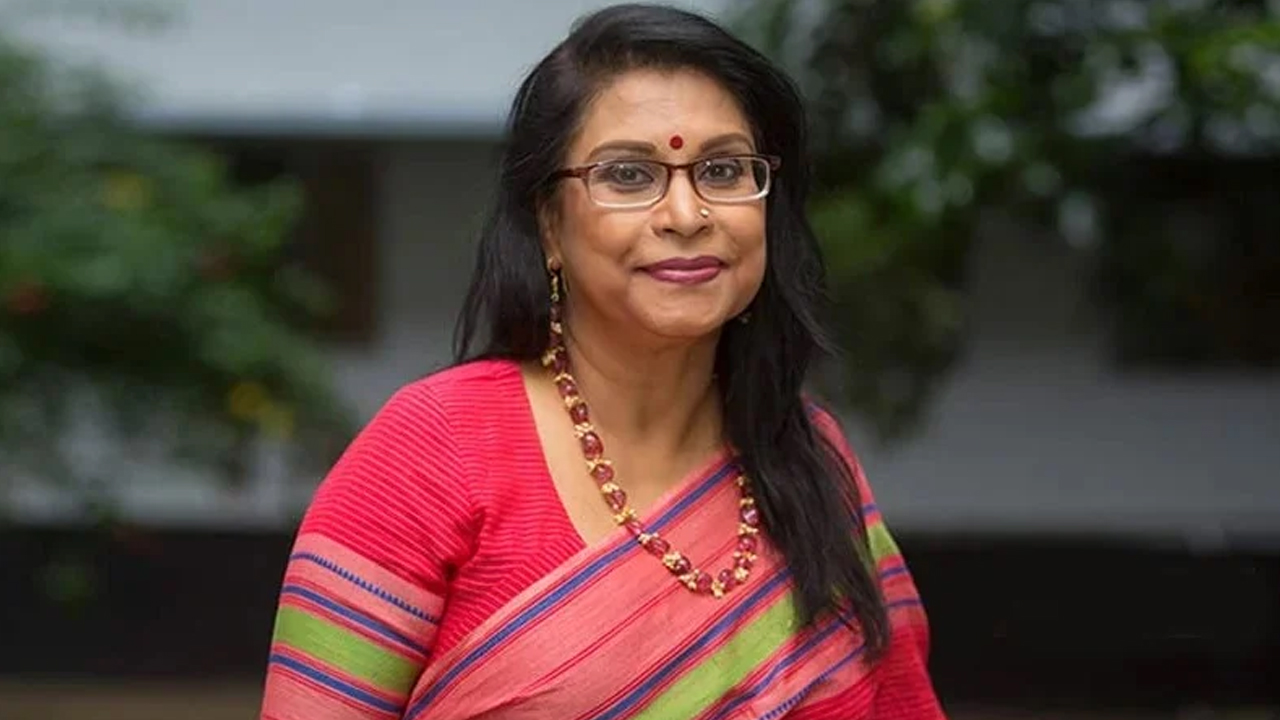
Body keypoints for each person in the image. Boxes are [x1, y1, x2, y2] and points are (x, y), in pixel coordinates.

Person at [258, 4, 946, 718]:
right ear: (549, 225)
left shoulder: (808, 460)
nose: (686, 214)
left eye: (722, 170)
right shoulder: (431, 453)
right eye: (628, 175)